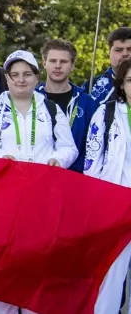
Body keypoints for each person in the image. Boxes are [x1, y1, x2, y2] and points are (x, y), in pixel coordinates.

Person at [0, 50, 77, 314]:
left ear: (37, 77)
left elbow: (69, 147)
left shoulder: (51, 108)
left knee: (37, 269)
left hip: (41, 200)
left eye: (27, 74)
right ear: (6, 79)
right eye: (14, 75)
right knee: (4, 271)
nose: (21, 80)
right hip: (2, 202)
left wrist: (57, 160)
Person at [84, 58, 131, 314]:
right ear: (122, 85)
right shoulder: (106, 112)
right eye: (130, 80)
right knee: (110, 274)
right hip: (114, 202)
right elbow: (92, 160)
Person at [37, 39, 98, 172]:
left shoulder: (87, 103)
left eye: (63, 62)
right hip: (37, 175)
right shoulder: (31, 98)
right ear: (44, 63)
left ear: (72, 65)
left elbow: (92, 146)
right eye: (53, 61)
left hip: (74, 178)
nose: (58, 66)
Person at [87, 27, 131, 105]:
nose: (125, 54)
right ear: (109, 53)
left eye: (130, 49)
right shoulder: (91, 85)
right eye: (118, 50)